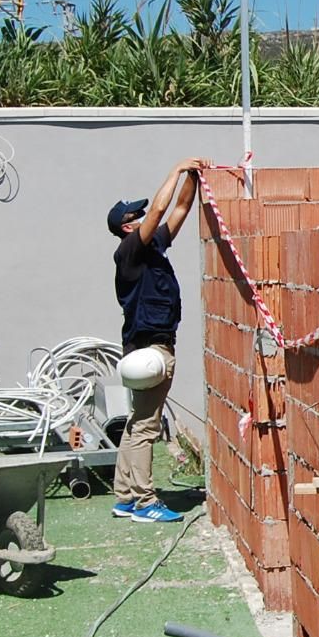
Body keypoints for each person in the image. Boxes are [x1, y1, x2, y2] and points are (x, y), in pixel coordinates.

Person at [106, 157, 208, 522]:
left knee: (137, 422)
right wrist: (176, 170)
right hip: (149, 350)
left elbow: (180, 208)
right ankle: (145, 502)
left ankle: (124, 497)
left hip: (150, 348)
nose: (144, 217)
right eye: (137, 216)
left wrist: (193, 176)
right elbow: (161, 208)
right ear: (127, 226)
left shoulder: (153, 247)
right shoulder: (129, 251)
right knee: (146, 427)